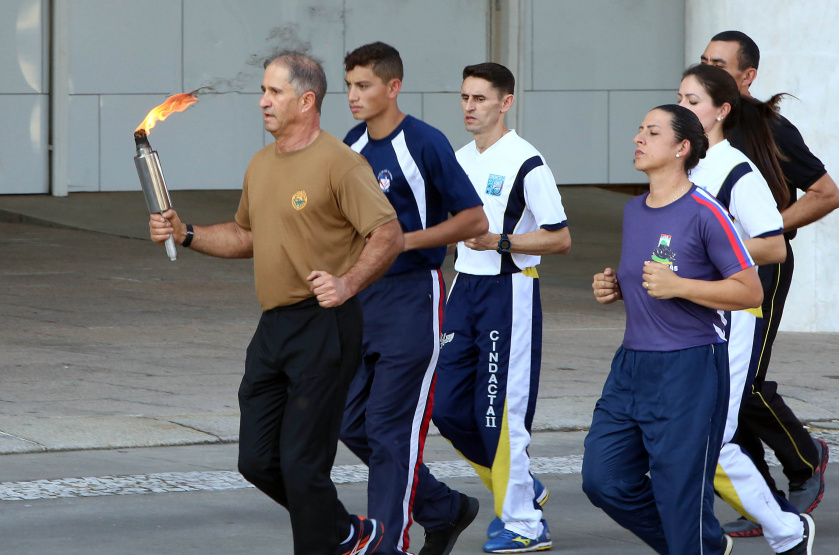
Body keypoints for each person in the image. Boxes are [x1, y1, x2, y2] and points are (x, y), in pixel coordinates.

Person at [148, 51, 403, 555]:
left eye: (275, 92)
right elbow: (246, 234)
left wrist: (347, 284)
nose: (263, 102)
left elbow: (389, 234)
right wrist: (188, 232)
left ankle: (333, 542)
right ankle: (349, 534)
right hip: (274, 327)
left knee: (302, 466)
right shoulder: (261, 164)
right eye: (262, 91)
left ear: (307, 101)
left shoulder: (340, 163)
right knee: (258, 460)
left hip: (324, 323)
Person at [582, 104, 763, 555]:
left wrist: (680, 285)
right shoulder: (633, 210)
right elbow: (651, 279)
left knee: (679, 493)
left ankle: (693, 543)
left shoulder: (706, 212)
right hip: (631, 366)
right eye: (639, 129)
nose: (639, 138)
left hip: (690, 366)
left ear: (682, 148)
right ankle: (701, 544)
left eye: (653, 132)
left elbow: (750, 291)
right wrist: (618, 289)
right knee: (602, 479)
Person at [337, 42, 488, 555]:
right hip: (360, 294)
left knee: (388, 428)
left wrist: (404, 240)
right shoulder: (350, 144)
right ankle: (443, 507)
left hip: (411, 296)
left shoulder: (425, 142)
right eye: (349, 85)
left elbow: (474, 220)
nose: (353, 95)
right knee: (349, 422)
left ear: (393, 87)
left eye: (364, 85)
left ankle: (386, 545)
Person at [701, 30, 839, 535]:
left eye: (720, 63)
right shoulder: (695, 127)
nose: (710, 70)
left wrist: (766, 228)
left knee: (748, 382)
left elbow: (826, 193)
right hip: (708, 270)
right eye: (704, 62)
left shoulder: (768, 128)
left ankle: (806, 458)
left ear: (747, 76)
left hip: (763, 263)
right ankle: (761, 500)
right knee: (722, 386)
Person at [431, 62, 571, 554]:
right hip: (462, 290)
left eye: (480, 99)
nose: (470, 107)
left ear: (505, 102)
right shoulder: (458, 157)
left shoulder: (527, 161)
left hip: (508, 292)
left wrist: (502, 241)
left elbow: (560, 237)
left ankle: (524, 525)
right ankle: (523, 488)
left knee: (498, 413)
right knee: (445, 406)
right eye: (465, 98)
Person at [680, 63, 815, 555]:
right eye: (681, 98)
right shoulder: (684, 165)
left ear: (721, 111)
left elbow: (772, 246)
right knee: (679, 432)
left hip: (731, 317)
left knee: (710, 436)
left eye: (694, 101)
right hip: (686, 316)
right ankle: (701, 531)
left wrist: (709, 257)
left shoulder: (735, 168)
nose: (684, 109)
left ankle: (781, 525)